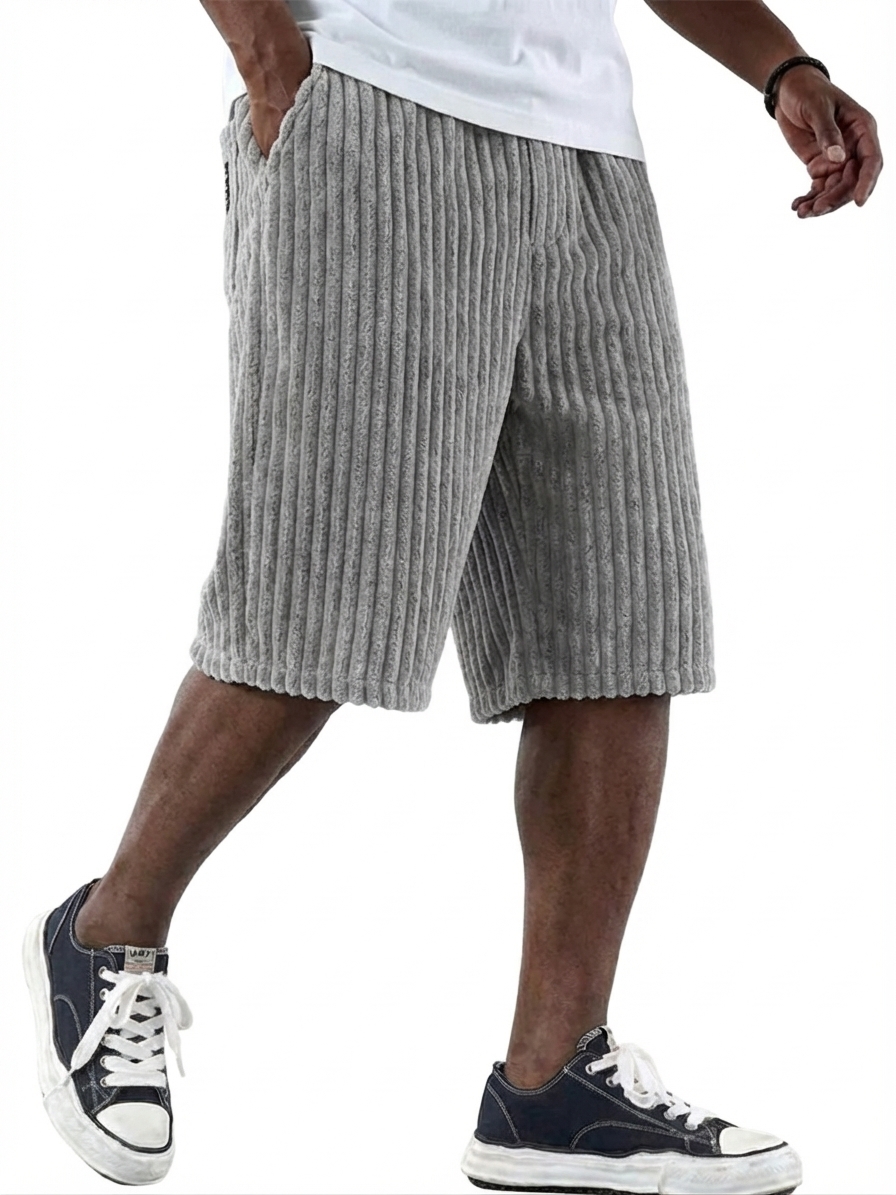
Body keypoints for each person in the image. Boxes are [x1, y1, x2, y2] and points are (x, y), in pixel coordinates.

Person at [22, 1, 882, 1190]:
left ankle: (549, 1084)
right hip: (370, 101)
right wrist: (268, 58)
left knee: (616, 628)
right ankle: (107, 933)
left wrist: (780, 65)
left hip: (586, 151)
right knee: (320, 595)